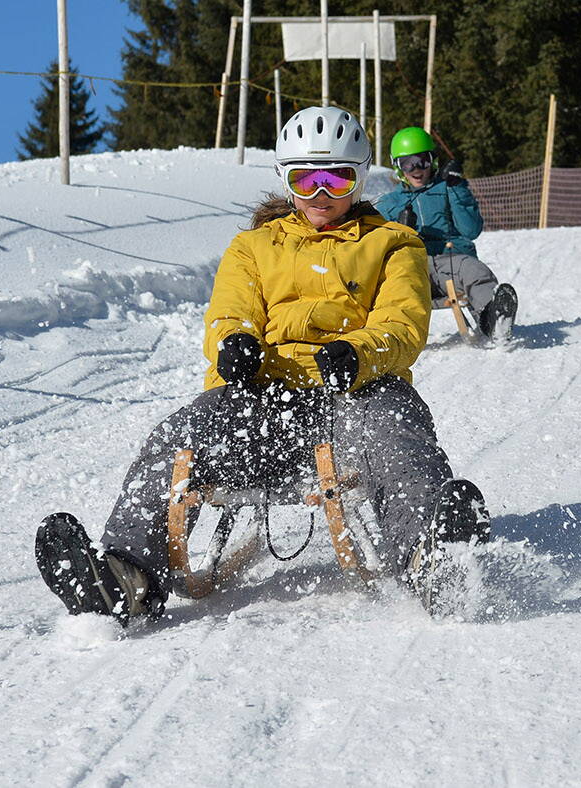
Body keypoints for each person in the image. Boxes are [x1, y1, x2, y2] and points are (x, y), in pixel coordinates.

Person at [35, 106, 490, 624]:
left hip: (353, 395)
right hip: (263, 402)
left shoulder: (393, 243)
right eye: (306, 179)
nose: (321, 194)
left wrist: (359, 353)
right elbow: (229, 312)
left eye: (337, 179)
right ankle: (124, 575)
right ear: (285, 179)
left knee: (396, 426)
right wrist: (234, 343)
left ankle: (428, 556)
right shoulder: (252, 247)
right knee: (180, 435)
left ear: (360, 178)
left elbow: (403, 325)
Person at [375, 126, 518, 340]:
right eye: (407, 163)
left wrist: (457, 187)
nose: (416, 169)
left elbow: (471, 230)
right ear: (397, 168)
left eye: (421, 161)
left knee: (474, 271)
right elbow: (375, 245)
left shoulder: (448, 188)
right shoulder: (389, 204)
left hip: (451, 261)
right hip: (411, 267)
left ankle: (494, 318)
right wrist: (400, 232)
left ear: (432, 160)